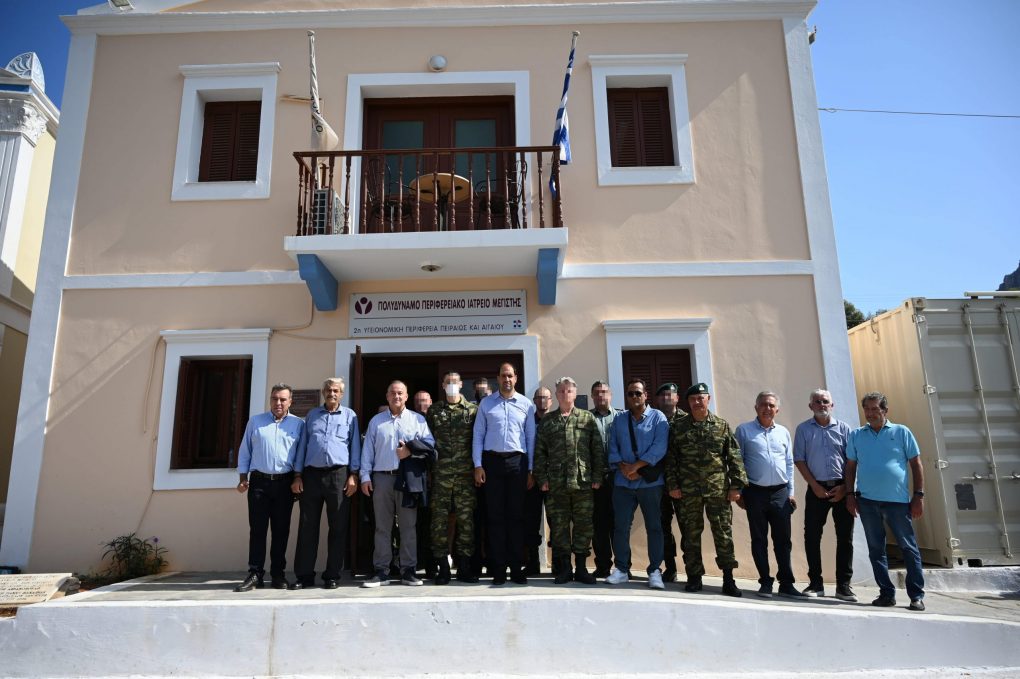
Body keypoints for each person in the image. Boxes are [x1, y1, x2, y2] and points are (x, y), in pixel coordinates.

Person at [845, 392, 926, 611]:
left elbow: (916, 464)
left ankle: (916, 596)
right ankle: (886, 594)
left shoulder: (902, 432)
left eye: (875, 409)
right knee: (876, 549)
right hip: (867, 501)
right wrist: (850, 495)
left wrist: (918, 496)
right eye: (867, 409)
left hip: (897, 502)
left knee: (908, 547)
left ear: (885, 410)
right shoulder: (857, 435)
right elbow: (850, 467)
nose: (870, 413)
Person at [667, 383, 747, 597]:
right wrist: (673, 485)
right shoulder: (678, 427)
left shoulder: (721, 425)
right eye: (693, 399)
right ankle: (694, 577)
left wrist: (736, 486)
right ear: (688, 402)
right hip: (688, 491)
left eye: (700, 398)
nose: (697, 402)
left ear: (708, 399)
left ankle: (728, 579)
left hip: (717, 490)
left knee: (723, 533)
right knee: (690, 535)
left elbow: (734, 457)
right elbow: (671, 459)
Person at [360, 381, 435, 587]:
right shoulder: (376, 422)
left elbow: (430, 444)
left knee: (408, 527)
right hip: (382, 478)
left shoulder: (417, 420)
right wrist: (365, 476)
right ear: (387, 396)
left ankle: (408, 570)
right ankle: (381, 571)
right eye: (393, 393)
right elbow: (368, 451)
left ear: (406, 396)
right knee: (382, 527)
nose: (397, 396)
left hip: (407, 479)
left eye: (400, 393)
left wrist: (410, 450)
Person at [290, 378, 361, 590]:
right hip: (311, 475)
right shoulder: (312, 415)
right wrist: (298, 475)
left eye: (336, 390)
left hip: (338, 475)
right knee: (307, 526)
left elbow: (355, 446)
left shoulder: (350, 416)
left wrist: (354, 475)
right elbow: (303, 445)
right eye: (329, 390)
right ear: (323, 392)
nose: (332, 393)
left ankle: (332, 575)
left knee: (338, 526)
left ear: (341, 394)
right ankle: (304, 575)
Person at [734, 391, 806, 599]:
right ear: (756, 408)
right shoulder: (744, 430)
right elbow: (738, 462)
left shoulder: (783, 432)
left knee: (783, 540)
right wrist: (740, 492)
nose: (767, 408)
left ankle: (786, 584)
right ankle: (765, 582)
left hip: (780, 493)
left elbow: (789, 463)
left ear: (777, 410)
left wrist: (791, 492)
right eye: (763, 404)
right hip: (755, 492)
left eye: (771, 405)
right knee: (759, 539)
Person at [534, 377, 605, 584]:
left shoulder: (587, 418)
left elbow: (597, 449)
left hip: (583, 483)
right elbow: (540, 452)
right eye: (562, 391)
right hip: (556, 484)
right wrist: (542, 478)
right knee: (559, 527)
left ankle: (581, 568)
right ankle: (565, 569)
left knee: (584, 526)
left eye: (569, 391)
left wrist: (597, 476)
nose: (565, 394)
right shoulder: (548, 421)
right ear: (556, 395)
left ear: (575, 394)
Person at [234, 384, 303, 592]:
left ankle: (277, 574)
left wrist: (298, 477)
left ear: (290, 402)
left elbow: (300, 455)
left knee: (281, 531)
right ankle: (255, 573)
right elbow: (245, 450)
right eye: (274, 398)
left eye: (283, 399)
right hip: (259, 483)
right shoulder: (255, 421)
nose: (278, 403)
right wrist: (243, 477)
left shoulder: (298, 424)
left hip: (284, 484)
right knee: (258, 530)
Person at [472, 362, 536, 585]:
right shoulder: (486, 404)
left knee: (516, 517)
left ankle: (516, 567)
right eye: (503, 376)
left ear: (515, 378)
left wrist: (530, 469)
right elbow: (478, 435)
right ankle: (498, 568)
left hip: (518, 463)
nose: (507, 379)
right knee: (495, 517)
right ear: (497, 379)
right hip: (492, 464)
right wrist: (478, 465)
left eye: (510, 375)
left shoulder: (526, 405)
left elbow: (531, 438)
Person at [605, 379, 669, 590]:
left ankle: (654, 571)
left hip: (650, 484)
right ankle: (622, 569)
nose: (634, 397)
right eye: (630, 393)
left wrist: (636, 468)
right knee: (621, 527)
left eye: (638, 393)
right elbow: (612, 445)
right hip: (623, 482)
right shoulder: (619, 419)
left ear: (645, 395)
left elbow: (659, 447)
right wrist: (624, 468)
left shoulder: (658, 418)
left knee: (654, 527)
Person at [793, 388, 856, 601]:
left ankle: (843, 586)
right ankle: (815, 583)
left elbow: (852, 461)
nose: (822, 405)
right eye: (817, 401)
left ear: (832, 405)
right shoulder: (803, 429)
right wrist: (814, 486)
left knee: (845, 537)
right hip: (816, 489)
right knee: (812, 536)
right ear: (811, 406)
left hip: (842, 488)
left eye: (825, 401)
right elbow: (799, 459)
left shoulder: (844, 429)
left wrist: (846, 488)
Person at [426, 372, 480, 584]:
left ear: (461, 385)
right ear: (443, 385)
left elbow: (478, 440)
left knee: (466, 523)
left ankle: (464, 567)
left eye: (454, 382)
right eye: (448, 382)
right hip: (441, 476)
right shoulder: (434, 411)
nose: (451, 385)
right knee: (438, 523)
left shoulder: (472, 411)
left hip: (465, 476)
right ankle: (443, 568)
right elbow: (427, 441)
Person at [655, 382, 688, 582]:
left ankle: (692, 568)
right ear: (657, 399)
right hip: (659, 483)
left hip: (684, 484)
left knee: (688, 528)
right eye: (663, 395)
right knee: (662, 528)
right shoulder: (654, 420)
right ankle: (670, 567)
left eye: (670, 394)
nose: (667, 398)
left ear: (677, 398)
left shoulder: (687, 420)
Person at [589, 380, 620, 578]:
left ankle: (622, 566)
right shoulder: (586, 418)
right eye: (597, 392)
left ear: (611, 394)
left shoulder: (621, 417)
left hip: (618, 477)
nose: (601, 395)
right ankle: (602, 566)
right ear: (592, 396)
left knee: (619, 524)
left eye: (604, 391)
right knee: (599, 524)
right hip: (596, 478)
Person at [524, 386, 553, 574]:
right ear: (534, 401)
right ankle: (533, 562)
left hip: (553, 479)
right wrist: (529, 472)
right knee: (530, 522)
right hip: (532, 478)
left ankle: (558, 563)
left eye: (546, 397)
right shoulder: (527, 421)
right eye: (539, 397)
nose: (542, 400)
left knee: (556, 521)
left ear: (551, 401)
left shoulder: (556, 420)